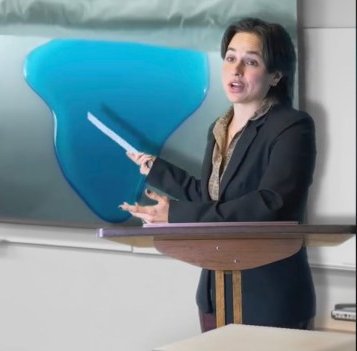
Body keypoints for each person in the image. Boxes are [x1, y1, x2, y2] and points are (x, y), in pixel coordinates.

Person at [119, 17, 317, 332]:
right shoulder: (219, 127)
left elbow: (272, 204)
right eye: (230, 57)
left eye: (251, 61)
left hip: (270, 298)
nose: (236, 70)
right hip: (215, 292)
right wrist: (159, 172)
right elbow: (213, 198)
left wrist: (177, 214)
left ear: (276, 75)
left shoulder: (292, 126)